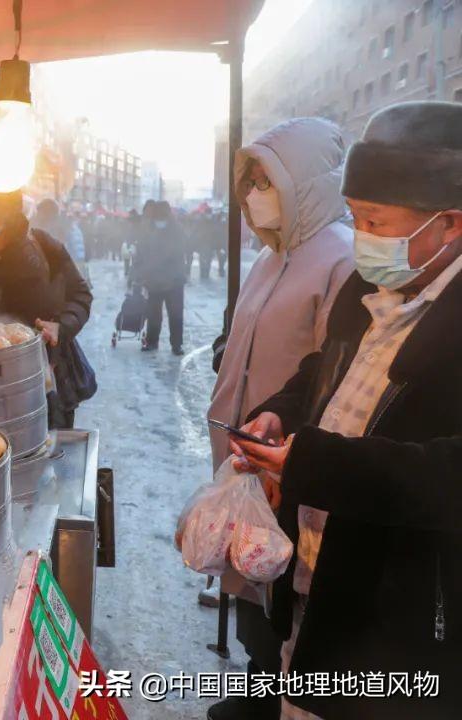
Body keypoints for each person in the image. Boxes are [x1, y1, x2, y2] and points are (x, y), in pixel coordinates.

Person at [231, 102, 462, 719]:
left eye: (376, 222)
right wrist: (281, 413)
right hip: (312, 572)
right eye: (356, 217)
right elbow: (325, 374)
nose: (361, 237)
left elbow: (448, 473)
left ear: (450, 225)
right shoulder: (369, 285)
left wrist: (313, 463)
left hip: (394, 619)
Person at [202, 117, 355, 720]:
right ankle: (252, 693)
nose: (253, 193)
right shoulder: (271, 258)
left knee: (282, 601)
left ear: (308, 184)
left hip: (286, 469)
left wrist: (289, 445)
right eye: (250, 181)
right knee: (250, 589)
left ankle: (267, 702)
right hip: (245, 460)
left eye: (267, 180)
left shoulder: (338, 261)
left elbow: (329, 378)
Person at [0, 166, 95, 428]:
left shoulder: (41, 245)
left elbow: (80, 294)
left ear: (6, 214)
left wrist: (62, 325)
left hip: (48, 383)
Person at [132, 200, 187, 354]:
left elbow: (180, 251)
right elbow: (141, 253)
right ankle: (152, 341)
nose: (160, 220)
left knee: (175, 314)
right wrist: (141, 272)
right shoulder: (148, 230)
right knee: (153, 314)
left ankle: (176, 345)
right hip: (154, 280)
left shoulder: (177, 230)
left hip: (174, 281)